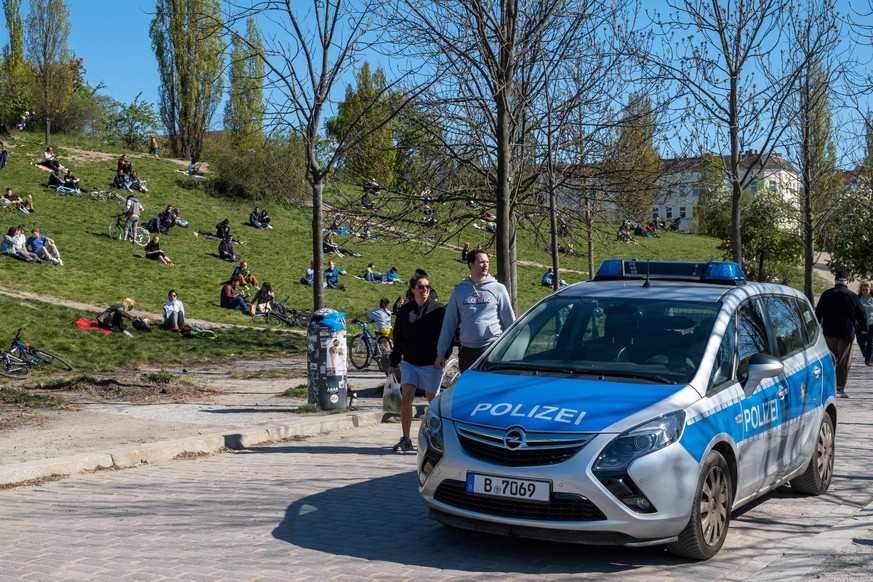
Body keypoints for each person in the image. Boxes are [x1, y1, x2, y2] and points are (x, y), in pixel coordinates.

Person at [388, 273, 447, 453]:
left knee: (433, 404)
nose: (425, 289)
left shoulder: (438, 310)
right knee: (406, 399)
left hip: (431, 364)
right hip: (410, 363)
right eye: (421, 286)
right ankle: (406, 439)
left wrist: (442, 355)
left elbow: (447, 336)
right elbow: (398, 338)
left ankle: (438, 440)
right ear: (413, 289)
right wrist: (394, 361)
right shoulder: (405, 311)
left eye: (428, 286)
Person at [436, 249, 516, 373]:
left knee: (488, 387)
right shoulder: (459, 291)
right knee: (468, 389)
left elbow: (509, 321)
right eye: (481, 262)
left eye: (487, 262)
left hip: (491, 347)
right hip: (466, 350)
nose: (485, 265)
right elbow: (449, 324)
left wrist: (512, 348)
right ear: (471, 265)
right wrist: (441, 353)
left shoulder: (499, 289)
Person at [815, 271, 868, 397]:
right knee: (844, 361)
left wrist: (815, 328)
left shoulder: (827, 294)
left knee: (830, 360)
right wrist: (864, 328)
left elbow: (818, 313)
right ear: (847, 281)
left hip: (829, 333)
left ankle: (828, 386)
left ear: (835, 280)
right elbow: (862, 313)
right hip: (846, 333)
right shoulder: (852, 296)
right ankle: (839, 388)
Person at [857, 280, 873, 366]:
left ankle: (869, 360)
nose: (865, 291)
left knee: (870, 342)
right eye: (863, 290)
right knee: (861, 342)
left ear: (870, 289)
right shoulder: (858, 298)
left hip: (871, 323)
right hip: (860, 324)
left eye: (866, 289)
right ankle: (867, 355)